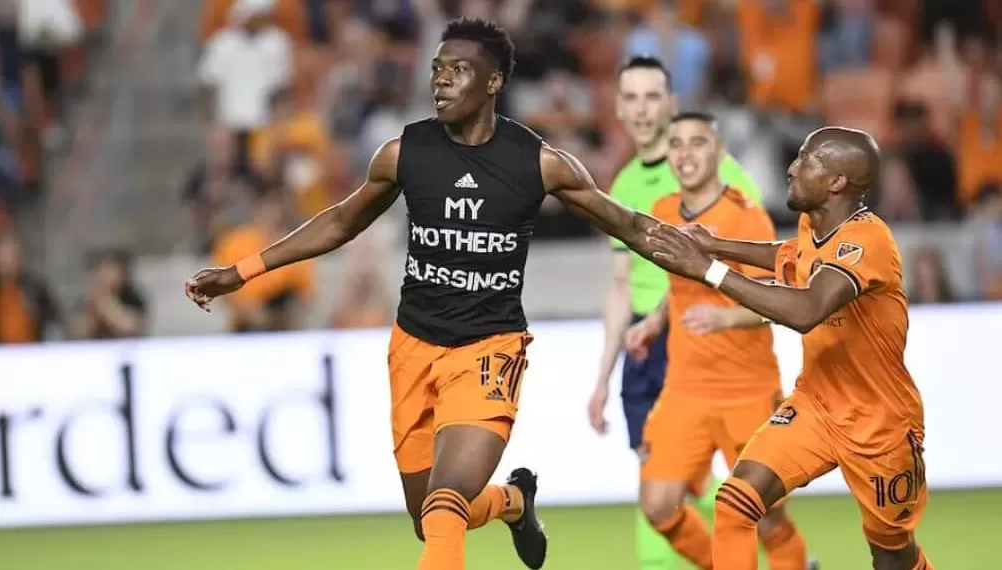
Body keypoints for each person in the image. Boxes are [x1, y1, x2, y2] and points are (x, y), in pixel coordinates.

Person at [185, 17, 671, 570]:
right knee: (430, 518)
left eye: (458, 70)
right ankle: (514, 502)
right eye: (437, 69)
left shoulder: (538, 163)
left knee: (444, 508)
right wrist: (243, 270)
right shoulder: (404, 152)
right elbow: (341, 221)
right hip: (413, 348)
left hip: (488, 350)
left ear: (493, 83)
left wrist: (714, 261)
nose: (440, 81)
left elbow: (629, 225)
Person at [646, 127, 933, 570]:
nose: (791, 168)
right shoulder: (812, 226)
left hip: (879, 425)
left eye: (805, 160)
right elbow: (792, 255)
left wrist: (708, 270)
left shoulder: (869, 240)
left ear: (837, 182)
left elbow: (807, 309)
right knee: (736, 501)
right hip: (816, 404)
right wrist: (714, 245)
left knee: (892, 556)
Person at [587, 55, 764, 570]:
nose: (642, 109)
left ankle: (771, 553)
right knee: (657, 479)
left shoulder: (712, 166)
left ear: (671, 103)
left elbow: (747, 248)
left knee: (702, 481)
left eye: (652, 96)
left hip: (703, 335)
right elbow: (620, 286)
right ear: (619, 108)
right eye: (632, 98)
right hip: (646, 343)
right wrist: (603, 376)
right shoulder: (621, 186)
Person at [625, 112, 813, 570]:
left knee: (765, 516)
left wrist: (725, 320)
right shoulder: (665, 212)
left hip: (746, 390)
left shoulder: (745, 218)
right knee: (658, 504)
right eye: (677, 144)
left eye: (697, 143)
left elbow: (780, 301)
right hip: (685, 389)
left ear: (720, 153)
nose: (685, 153)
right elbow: (681, 289)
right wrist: (654, 322)